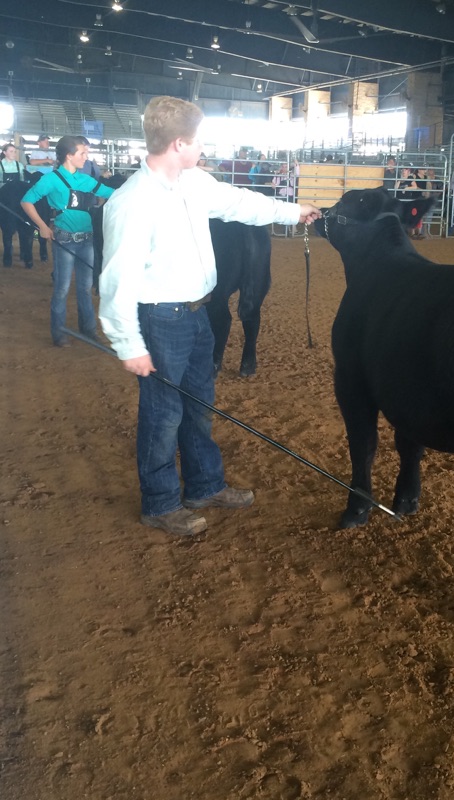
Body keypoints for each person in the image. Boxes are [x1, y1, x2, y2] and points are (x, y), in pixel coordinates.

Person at [98, 96, 321, 537]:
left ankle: (204, 485)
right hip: (161, 319)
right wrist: (129, 344)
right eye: (198, 141)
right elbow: (116, 282)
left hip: (200, 312)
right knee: (163, 415)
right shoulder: (131, 202)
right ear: (179, 143)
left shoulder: (194, 181)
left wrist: (293, 211)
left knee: (199, 407)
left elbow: (239, 204)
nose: (203, 148)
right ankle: (160, 503)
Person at [20, 135, 115, 346]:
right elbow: (27, 201)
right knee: (62, 288)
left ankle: (88, 329)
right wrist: (43, 226)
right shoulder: (51, 179)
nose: (86, 157)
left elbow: (113, 193)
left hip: (87, 239)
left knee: (85, 288)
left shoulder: (86, 180)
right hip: (64, 239)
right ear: (69, 156)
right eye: (83, 153)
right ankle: (59, 332)